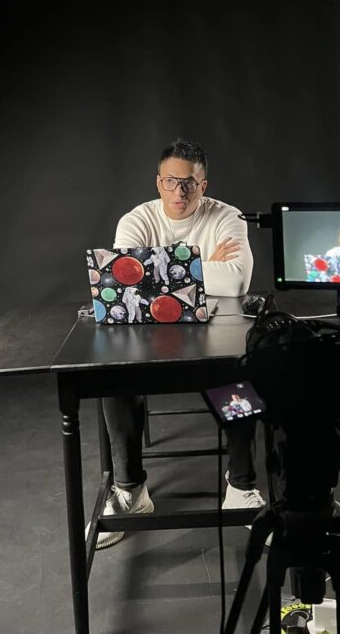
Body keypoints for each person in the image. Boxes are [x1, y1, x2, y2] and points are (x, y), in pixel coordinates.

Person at [88, 137, 265, 549]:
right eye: (171, 181)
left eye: (189, 183)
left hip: (212, 335)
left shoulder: (228, 217)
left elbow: (237, 282)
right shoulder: (136, 220)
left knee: (238, 373)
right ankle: (130, 490)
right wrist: (204, 263)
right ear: (158, 182)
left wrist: (158, 268)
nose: (179, 192)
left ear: (203, 186)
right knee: (113, 375)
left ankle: (241, 484)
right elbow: (124, 284)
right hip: (146, 337)